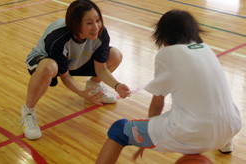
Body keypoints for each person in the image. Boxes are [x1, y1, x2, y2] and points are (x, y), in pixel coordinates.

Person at [95, 10, 242, 164]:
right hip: (231, 125)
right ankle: (225, 143)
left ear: (163, 36)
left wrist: (145, 137)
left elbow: (157, 104)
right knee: (202, 112)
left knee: (119, 130)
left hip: (196, 131)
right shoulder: (206, 49)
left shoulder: (167, 54)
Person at [20, 0, 131, 140]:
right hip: (46, 62)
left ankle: (94, 87)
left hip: (77, 60)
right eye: (89, 23)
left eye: (98, 20)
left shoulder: (101, 34)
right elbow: (65, 75)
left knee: (115, 55)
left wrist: (117, 85)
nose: (96, 27)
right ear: (76, 24)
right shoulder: (58, 37)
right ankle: (28, 112)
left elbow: (101, 69)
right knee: (49, 67)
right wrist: (80, 93)